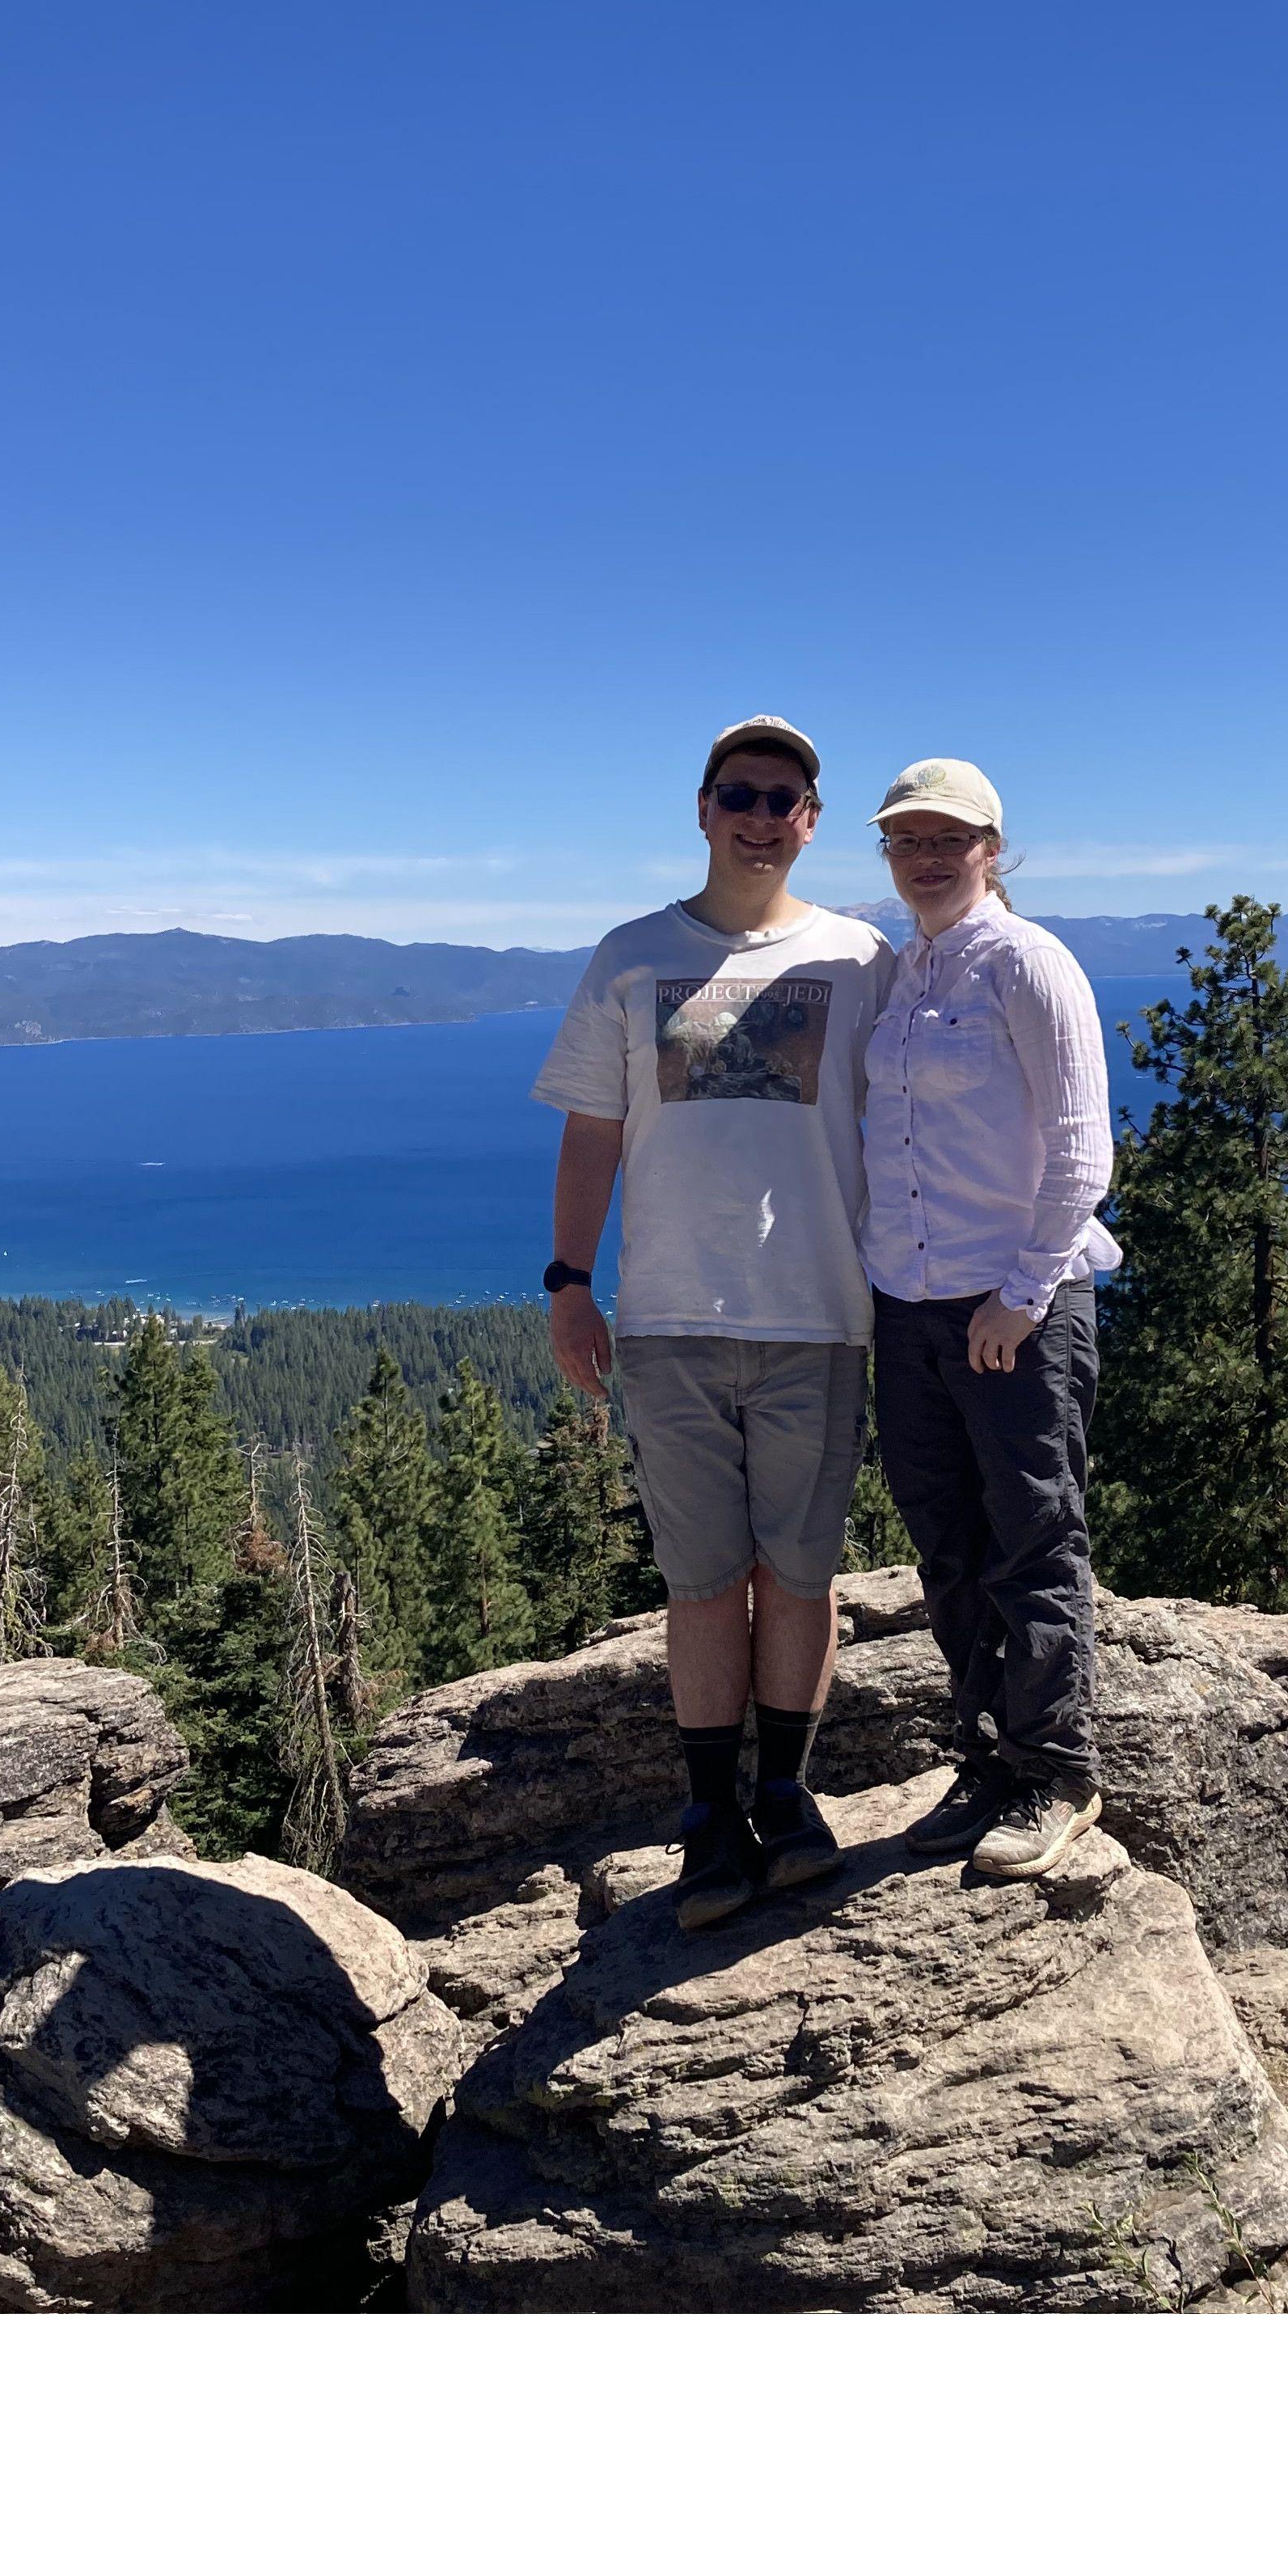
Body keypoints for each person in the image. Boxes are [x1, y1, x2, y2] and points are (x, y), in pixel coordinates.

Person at [534, 717, 893, 1931]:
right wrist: (569, 1281)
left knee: (799, 1573)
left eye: (783, 797)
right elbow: (593, 1129)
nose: (759, 813)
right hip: (672, 1320)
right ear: (700, 808)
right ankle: (708, 1820)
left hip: (820, 1314)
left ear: (811, 821)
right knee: (700, 1583)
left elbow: (917, 1119)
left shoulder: (862, 959)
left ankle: (785, 1795)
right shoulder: (631, 958)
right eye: (738, 792)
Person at [861, 757, 1121, 1880]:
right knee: (945, 1540)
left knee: (1031, 1532)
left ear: (991, 849)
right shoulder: (902, 971)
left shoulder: (1027, 962)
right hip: (907, 1300)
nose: (926, 856)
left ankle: (1057, 1771)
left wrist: (1019, 1298)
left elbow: (1082, 1151)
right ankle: (987, 1757)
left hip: (1012, 1297)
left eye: (947, 839)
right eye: (906, 840)